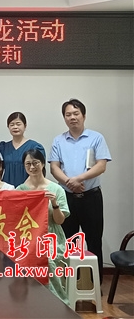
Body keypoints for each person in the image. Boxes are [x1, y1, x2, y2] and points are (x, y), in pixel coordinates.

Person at [49, 98, 111, 281]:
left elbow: (101, 166)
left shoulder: (96, 138)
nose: (72, 117)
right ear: (64, 118)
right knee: (68, 241)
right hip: (67, 197)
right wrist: (69, 182)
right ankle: (69, 284)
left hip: (91, 197)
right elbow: (54, 167)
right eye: (68, 114)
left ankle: (95, 284)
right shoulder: (59, 140)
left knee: (94, 240)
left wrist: (78, 179)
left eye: (76, 113)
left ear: (83, 115)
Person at [17, 149, 69, 304]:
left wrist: (54, 204)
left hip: (51, 236)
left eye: (35, 163)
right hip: (27, 237)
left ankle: (55, 302)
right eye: (28, 164)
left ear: (42, 163)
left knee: (45, 258)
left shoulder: (56, 189)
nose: (32, 167)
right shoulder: (19, 191)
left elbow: (59, 221)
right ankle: (27, 300)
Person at [0, 112, 45, 187]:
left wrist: (24, 188)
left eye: (18, 124)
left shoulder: (35, 147)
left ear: (25, 126)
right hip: (7, 188)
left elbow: (39, 171)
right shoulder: (3, 147)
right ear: (8, 127)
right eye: (12, 124)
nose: (15, 127)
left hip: (29, 188)